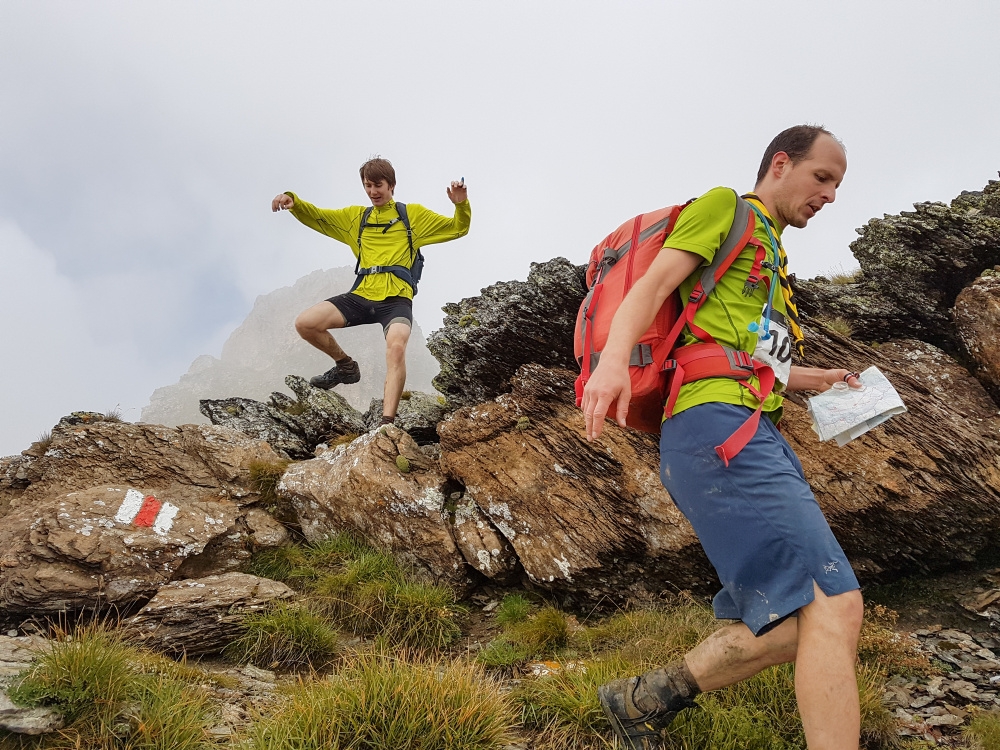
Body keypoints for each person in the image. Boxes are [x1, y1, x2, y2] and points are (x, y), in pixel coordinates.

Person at [581, 125, 864, 750]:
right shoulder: (725, 207)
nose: (830, 195)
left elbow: (746, 354)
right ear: (781, 164)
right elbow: (653, 286)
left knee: (795, 622)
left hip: (748, 425)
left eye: (838, 185)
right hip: (717, 427)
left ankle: (642, 700)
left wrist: (816, 379)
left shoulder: (771, 253)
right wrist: (611, 363)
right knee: (835, 605)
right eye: (822, 177)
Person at [272, 158, 470, 425]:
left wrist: (460, 205)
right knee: (305, 323)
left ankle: (387, 423)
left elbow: (458, 228)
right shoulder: (356, 218)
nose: (373, 191)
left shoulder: (412, 216)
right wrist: (293, 201)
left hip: (396, 301)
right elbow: (319, 217)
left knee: (396, 349)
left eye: (378, 185)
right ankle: (345, 366)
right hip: (361, 296)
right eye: (368, 186)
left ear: (392, 185)